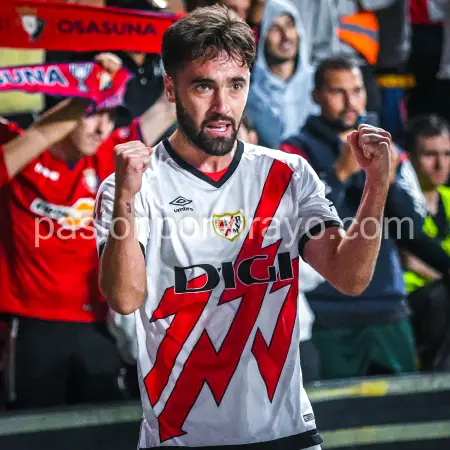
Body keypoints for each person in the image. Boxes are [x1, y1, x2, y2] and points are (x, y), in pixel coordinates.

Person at [94, 6, 393, 450]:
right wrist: (124, 199)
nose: (222, 106)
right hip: (181, 439)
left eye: (236, 86)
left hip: (287, 432)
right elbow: (124, 298)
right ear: (171, 89)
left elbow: (350, 277)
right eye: (203, 86)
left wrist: (377, 185)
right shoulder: (135, 184)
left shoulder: (288, 174)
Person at [281, 56, 450, 380]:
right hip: (328, 310)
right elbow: (294, 224)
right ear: (316, 95)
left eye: (357, 91)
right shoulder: (294, 150)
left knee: (407, 417)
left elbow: (412, 223)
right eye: (338, 92)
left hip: (388, 304)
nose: (350, 102)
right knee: (336, 421)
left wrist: (383, 180)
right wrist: (340, 173)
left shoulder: (387, 147)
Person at [0, 54, 128, 409]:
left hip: (99, 324)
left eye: (110, 115)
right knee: (33, 434)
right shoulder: (15, 145)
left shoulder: (105, 155)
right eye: (93, 114)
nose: (104, 128)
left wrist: (120, 72)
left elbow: (164, 112)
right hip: (32, 326)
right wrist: (84, 89)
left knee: (105, 433)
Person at [246, 0, 318, 149]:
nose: (286, 36)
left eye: (290, 25)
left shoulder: (320, 82)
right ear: (262, 36)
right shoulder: (248, 92)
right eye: (274, 28)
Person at [402, 114, 450, 291]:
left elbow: (413, 262)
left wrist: (427, 271)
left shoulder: (448, 198)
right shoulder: (396, 204)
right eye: (430, 155)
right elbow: (406, 260)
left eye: (447, 154)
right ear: (409, 159)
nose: (440, 164)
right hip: (412, 302)